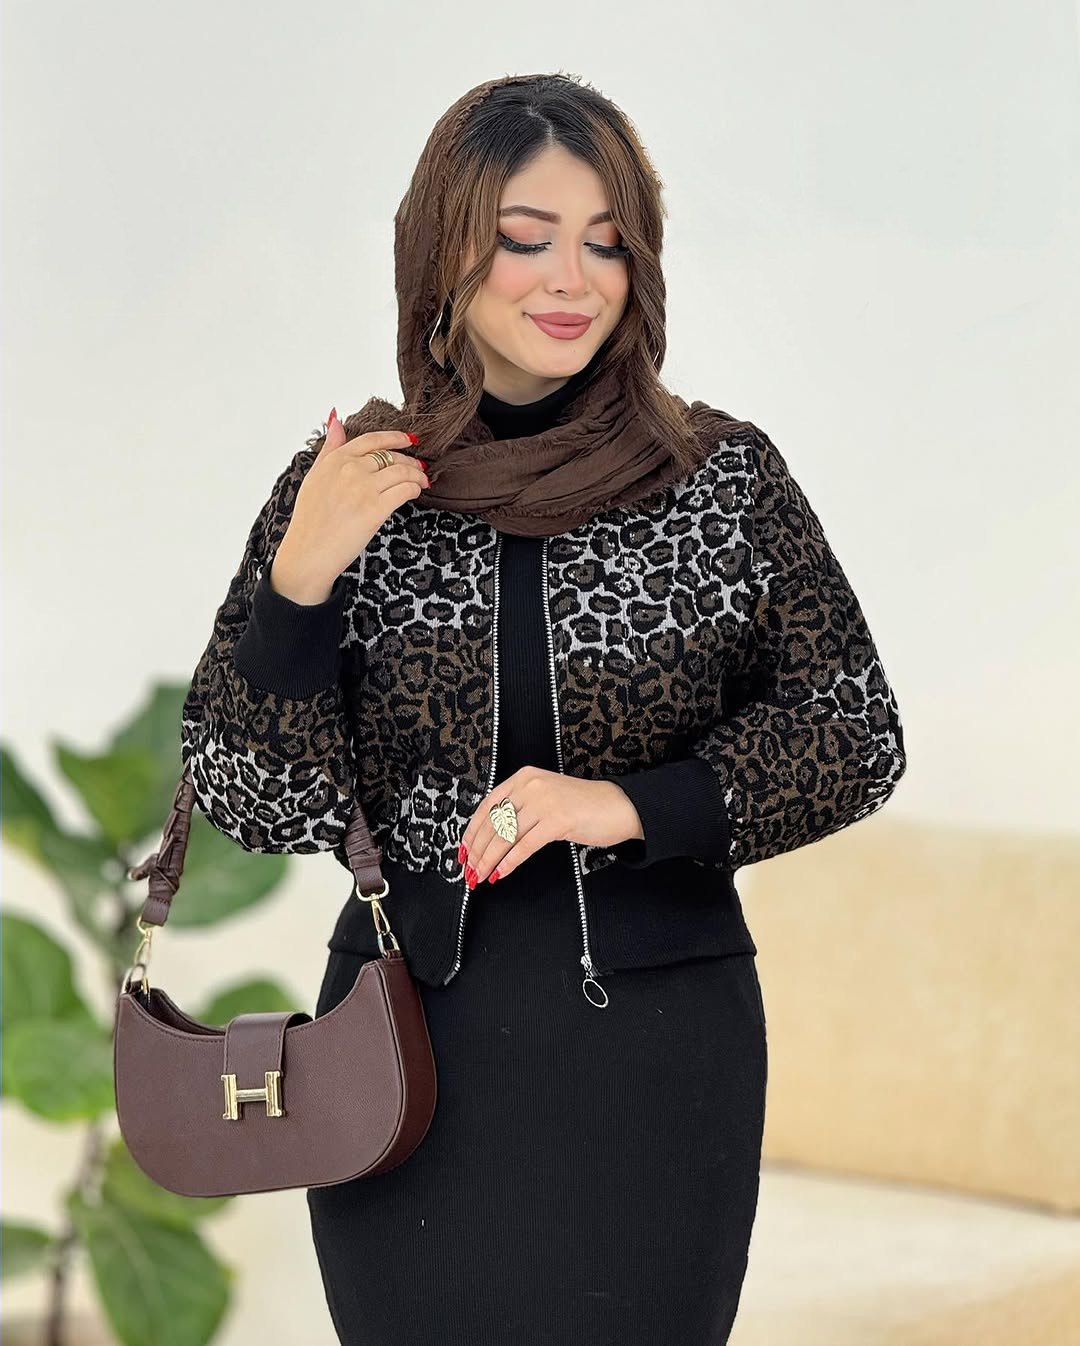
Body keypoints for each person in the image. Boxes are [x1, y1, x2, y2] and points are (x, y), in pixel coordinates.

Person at [180, 73, 907, 1346]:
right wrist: (300, 583)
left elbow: (854, 729)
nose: (573, 278)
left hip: (657, 1062)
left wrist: (624, 803)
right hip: (402, 1061)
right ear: (443, 252)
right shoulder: (353, 484)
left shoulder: (717, 478)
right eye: (526, 239)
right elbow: (255, 798)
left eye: (607, 242)